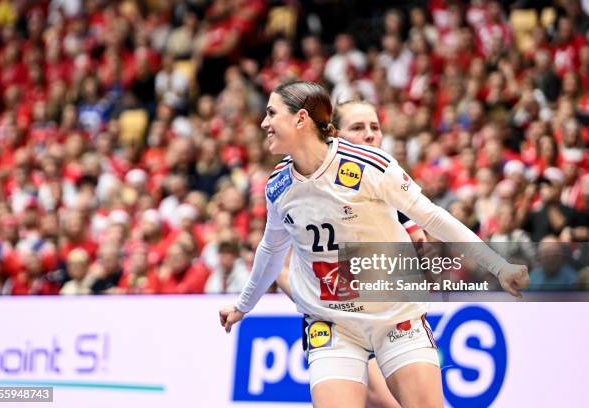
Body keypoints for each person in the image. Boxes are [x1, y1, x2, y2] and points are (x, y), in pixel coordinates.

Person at [219, 81, 529, 408]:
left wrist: (499, 265)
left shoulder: (370, 166)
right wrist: (243, 306)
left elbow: (434, 217)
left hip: (394, 314)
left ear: (300, 119)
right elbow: (271, 249)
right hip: (333, 324)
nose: (264, 123)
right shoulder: (278, 186)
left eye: (271, 113)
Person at [276, 99, 426, 408]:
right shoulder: (311, 188)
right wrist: (321, 301)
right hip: (341, 324)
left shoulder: (388, 183)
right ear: (334, 137)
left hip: (391, 318)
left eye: (375, 127)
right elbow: (279, 265)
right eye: (358, 128)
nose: (371, 135)